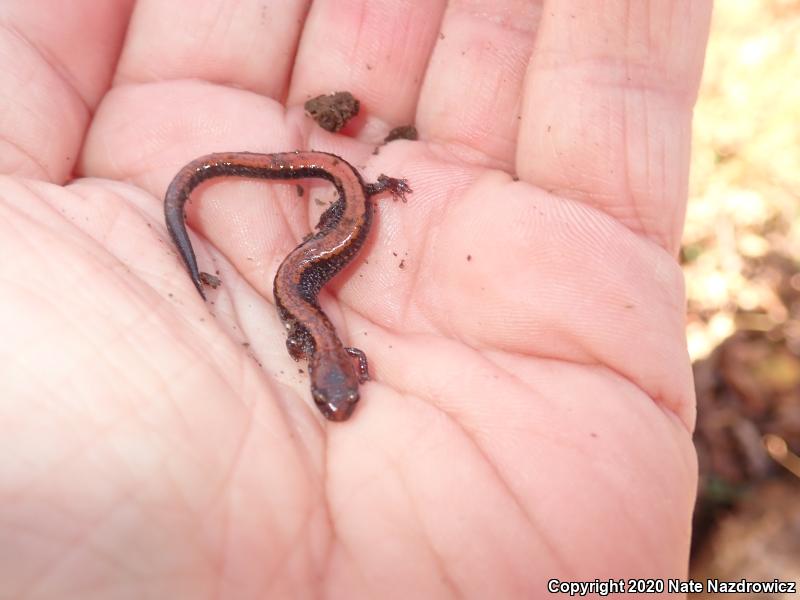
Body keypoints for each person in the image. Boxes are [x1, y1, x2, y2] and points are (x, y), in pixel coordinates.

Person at [0, 1, 712, 597]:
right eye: (338, 397)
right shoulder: (333, 347)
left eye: (333, 397)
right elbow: (342, 346)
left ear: (323, 372)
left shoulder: (312, 336)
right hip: (338, 204)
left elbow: (315, 333)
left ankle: (339, 189)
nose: (339, 399)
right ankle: (289, 188)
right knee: (330, 210)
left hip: (341, 202)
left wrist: (366, 200)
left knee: (336, 211)